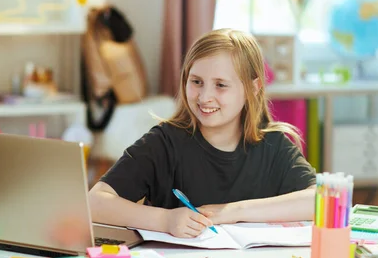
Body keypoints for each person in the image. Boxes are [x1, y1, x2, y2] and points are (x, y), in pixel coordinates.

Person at [88, 29, 316, 238]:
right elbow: (94, 203)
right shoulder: (163, 143)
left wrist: (233, 211)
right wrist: (165, 219)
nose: (205, 96)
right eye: (196, 82)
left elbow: (318, 200)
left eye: (220, 85)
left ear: (252, 89)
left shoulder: (273, 146)